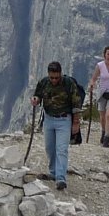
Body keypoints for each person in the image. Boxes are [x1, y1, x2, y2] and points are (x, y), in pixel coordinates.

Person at [31, 61, 83, 190]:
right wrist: (36, 100)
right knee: (50, 148)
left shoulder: (68, 84)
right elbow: (37, 95)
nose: (54, 80)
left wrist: (76, 123)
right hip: (48, 119)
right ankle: (53, 172)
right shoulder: (43, 82)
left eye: (56, 77)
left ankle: (61, 178)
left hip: (64, 120)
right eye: (52, 77)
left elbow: (76, 103)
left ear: (60, 74)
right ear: (48, 75)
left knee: (61, 149)